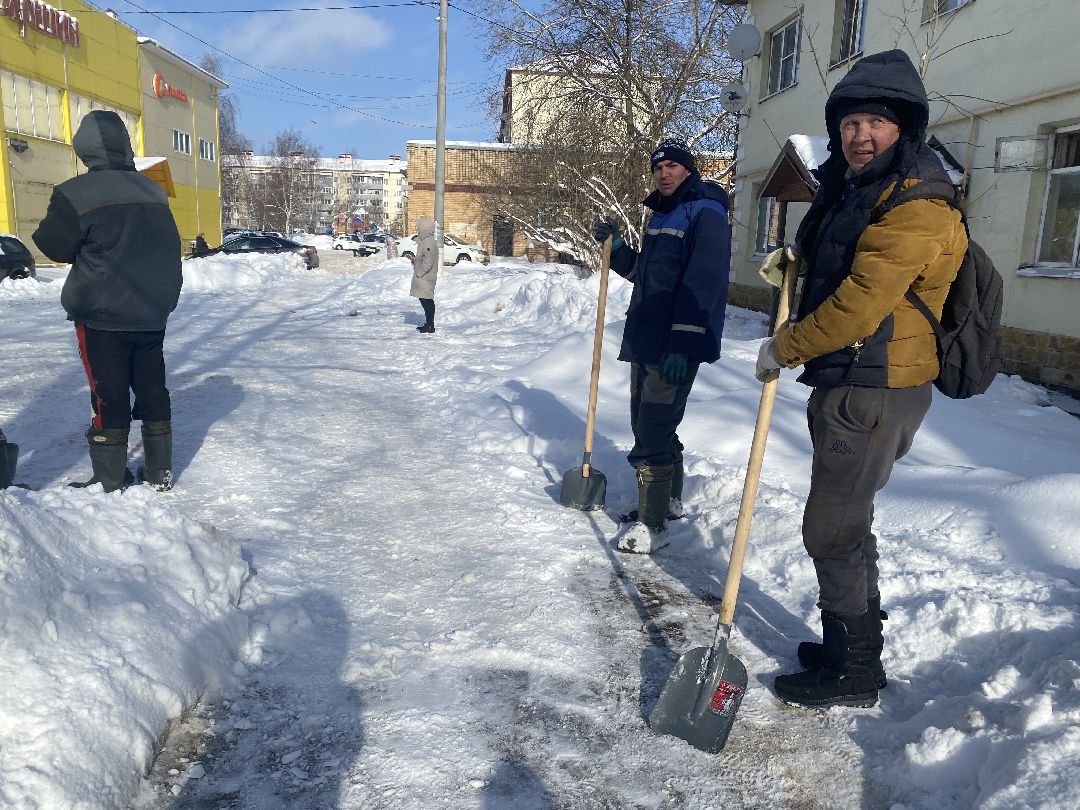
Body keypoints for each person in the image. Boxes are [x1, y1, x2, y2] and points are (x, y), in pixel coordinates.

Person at [755, 50, 967, 708]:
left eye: (876, 122)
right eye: (850, 122)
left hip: (873, 386)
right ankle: (851, 648)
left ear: (904, 128)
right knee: (849, 522)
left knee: (832, 529)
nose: (860, 134)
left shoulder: (916, 203)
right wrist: (796, 262)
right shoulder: (865, 189)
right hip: (856, 377)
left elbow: (858, 307)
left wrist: (784, 348)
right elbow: (845, 264)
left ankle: (853, 673)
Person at [592, 138, 730, 554]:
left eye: (672, 165)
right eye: (657, 167)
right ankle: (667, 502)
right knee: (648, 422)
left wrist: (684, 344)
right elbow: (647, 274)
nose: (663, 173)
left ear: (689, 169)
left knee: (653, 426)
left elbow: (704, 281)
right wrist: (619, 251)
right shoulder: (663, 214)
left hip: (675, 344)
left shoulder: (706, 212)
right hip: (648, 337)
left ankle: (653, 525)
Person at [33, 110, 183, 493]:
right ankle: (159, 471)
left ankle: (109, 479)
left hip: (102, 314)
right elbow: (168, 248)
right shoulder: (154, 191)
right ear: (125, 146)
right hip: (151, 312)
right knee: (152, 388)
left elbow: (53, 246)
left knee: (108, 393)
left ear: (84, 149)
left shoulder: (76, 193)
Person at [410, 217, 439, 334]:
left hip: (425, 277)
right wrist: (416, 261)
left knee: (427, 301)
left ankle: (430, 325)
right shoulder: (426, 241)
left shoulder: (428, 242)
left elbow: (429, 261)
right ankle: (429, 324)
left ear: (424, 228)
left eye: (419, 228)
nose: (418, 230)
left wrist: (419, 272)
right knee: (424, 300)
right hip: (424, 277)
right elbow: (425, 258)